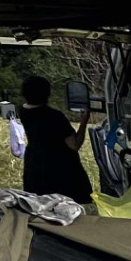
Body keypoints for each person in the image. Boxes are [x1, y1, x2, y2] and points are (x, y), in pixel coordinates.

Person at [18, 75, 93, 205]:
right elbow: (74, 144)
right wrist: (84, 122)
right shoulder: (54, 116)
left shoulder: (23, 110)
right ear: (47, 93)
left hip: (35, 163)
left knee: (40, 204)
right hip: (59, 168)